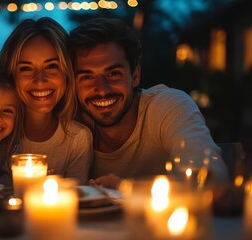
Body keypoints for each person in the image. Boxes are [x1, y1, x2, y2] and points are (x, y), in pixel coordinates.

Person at [69, 18, 228, 188]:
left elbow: (209, 179)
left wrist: (127, 188)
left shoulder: (169, 106)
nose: (102, 90)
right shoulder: (71, 126)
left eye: (113, 74)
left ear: (135, 75)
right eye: (87, 77)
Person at [0, 17, 93, 185]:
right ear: (11, 75)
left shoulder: (77, 139)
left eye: (51, 66)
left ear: (67, 73)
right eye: (26, 68)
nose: (40, 80)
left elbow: (76, 200)